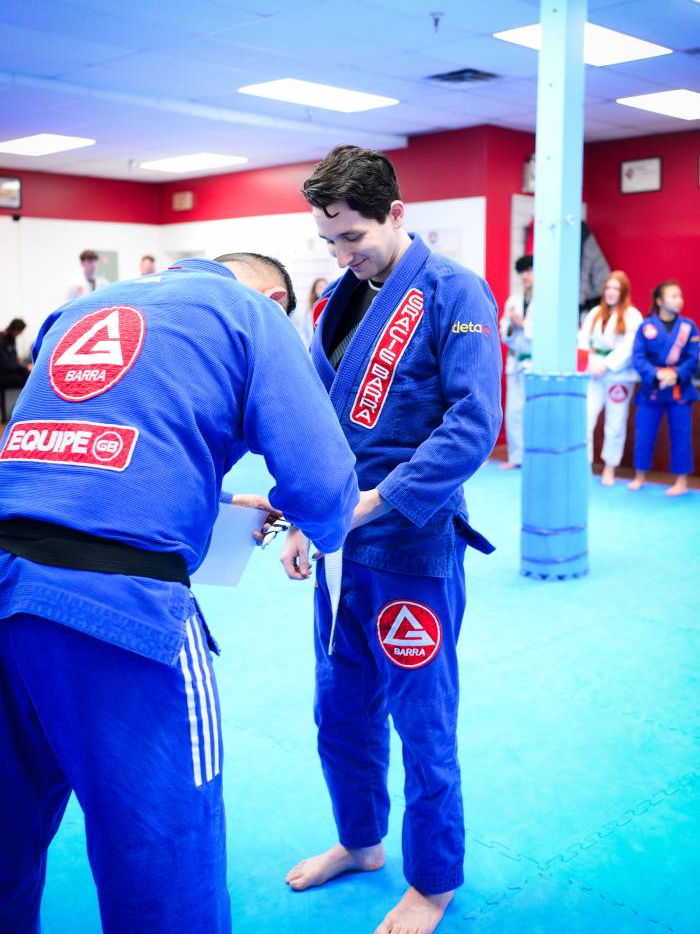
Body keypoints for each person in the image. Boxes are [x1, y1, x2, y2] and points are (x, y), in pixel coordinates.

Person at [0, 252, 359, 934]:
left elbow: (87, 455)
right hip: (123, 614)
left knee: (5, 842)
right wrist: (317, 522)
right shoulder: (253, 314)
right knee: (165, 865)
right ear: (275, 298)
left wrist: (208, 505)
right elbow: (324, 488)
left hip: (6, 574)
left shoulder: (82, 307)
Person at [281, 145, 502, 934]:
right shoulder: (338, 301)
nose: (342, 254)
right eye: (329, 240)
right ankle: (359, 839)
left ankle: (433, 879)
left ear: (397, 213)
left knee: (422, 723)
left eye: (353, 237)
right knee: (339, 709)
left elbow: (473, 423)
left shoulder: (455, 291)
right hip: (342, 550)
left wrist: (376, 502)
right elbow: (319, 424)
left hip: (410, 544)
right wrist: (305, 516)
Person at [628, 281, 699, 497]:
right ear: (659, 301)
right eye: (673, 296)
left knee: (681, 434)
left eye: (680, 296)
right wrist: (655, 374)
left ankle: (681, 481)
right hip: (652, 388)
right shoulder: (646, 327)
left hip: (679, 389)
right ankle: (640, 476)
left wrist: (676, 374)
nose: (679, 300)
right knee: (644, 433)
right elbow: (638, 357)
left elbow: (694, 357)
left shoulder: (688, 327)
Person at [578, 271, 643, 485]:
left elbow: (630, 347)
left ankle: (610, 467)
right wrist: (591, 361)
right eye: (608, 288)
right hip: (593, 373)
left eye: (616, 288)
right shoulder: (595, 313)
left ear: (623, 292)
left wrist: (606, 364)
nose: (611, 292)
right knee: (586, 418)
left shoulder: (632, 315)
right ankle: (584, 465)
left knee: (615, 422)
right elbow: (582, 340)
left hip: (618, 375)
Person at [499, 255, 533, 470]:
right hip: (515, 361)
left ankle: (533, 457)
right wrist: (512, 326)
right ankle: (515, 456)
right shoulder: (513, 301)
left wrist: (524, 325)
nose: (525, 276)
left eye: (529, 271)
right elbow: (504, 332)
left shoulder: (548, 300)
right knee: (513, 412)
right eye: (522, 273)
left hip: (534, 362)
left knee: (533, 411)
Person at [579, 221, 610, 320]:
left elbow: (584, 272)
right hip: (595, 290)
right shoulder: (584, 237)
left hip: (597, 293)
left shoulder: (583, 240)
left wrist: (578, 304)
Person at [295, 277, 330, 345]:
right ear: (314, 290)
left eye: (325, 287)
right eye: (320, 287)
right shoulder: (308, 311)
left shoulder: (331, 307)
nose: (323, 289)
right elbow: (304, 331)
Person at [0, 319, 32, 389]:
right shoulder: (2, 340)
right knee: (28, 378)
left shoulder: (11, 340)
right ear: (15, 329)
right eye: (20, 331)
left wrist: (23, 365)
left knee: (28, 374)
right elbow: (6, 365)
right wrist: (25, 367)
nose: (20, 334)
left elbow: (14, 360)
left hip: (9, 371)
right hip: (3, 374)